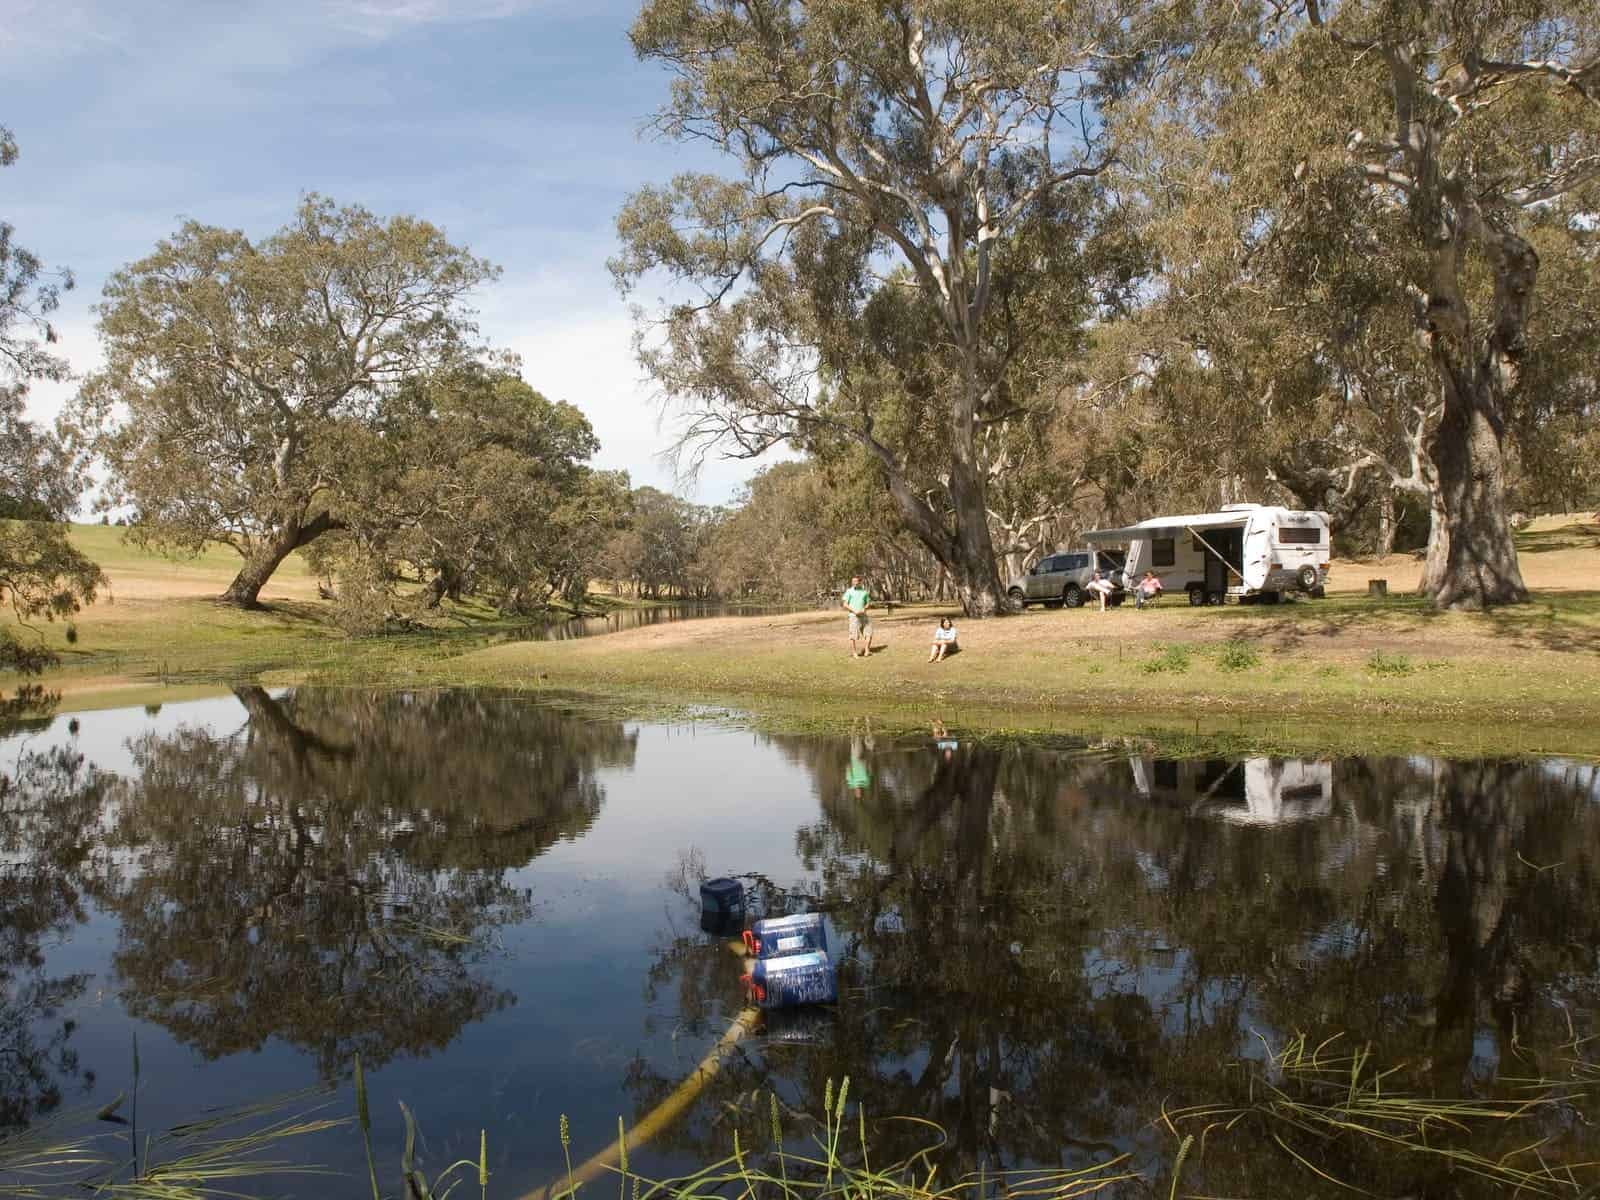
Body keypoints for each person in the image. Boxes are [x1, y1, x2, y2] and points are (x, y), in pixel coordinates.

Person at [841, 575, 872, 658]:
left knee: (869, 633)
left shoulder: (864, 592)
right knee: (853, 635)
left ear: (860, 582)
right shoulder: (849, 591)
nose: (854, 583)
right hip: (853, 616)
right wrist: (854, 611)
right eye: (853, 581)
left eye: (856, 581)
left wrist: (864, 609)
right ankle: (854, 653)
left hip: (864, 616)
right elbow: (845, 604)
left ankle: (867, 651)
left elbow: (868, 603)